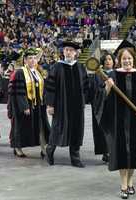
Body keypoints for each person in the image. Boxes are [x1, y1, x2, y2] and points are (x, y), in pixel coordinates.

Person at [96, 41, 136, 199]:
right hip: (118, 122)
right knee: (122, 153)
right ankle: (123, 184)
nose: (127, 61)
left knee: (134, 153)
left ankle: (130, 182)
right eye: (124, 59)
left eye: (129, 59)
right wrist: (107, 88)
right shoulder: (113, 75)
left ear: (134, 60)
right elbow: (100, 97)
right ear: (119, 60)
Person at [45, 40, 88, 168]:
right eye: (66, 50)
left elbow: (85, 86)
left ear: (76, 53)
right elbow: (50, 87)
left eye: (71, 50)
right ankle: (49, 152)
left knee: (76, 130)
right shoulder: (57, 67)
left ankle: (75, 158)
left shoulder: (80, 67)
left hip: (77, 106)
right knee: (57, 129)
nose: (68, 52)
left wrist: (83, 100)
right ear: (63, 52)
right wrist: (50, 104)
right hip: (61, 105)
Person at [8, 47, 50, 158]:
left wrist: (45, 102)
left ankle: (44, 148)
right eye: (30, 58)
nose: (32, 60)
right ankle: (17, 148)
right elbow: (18, 91)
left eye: (34, 58)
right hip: (25, 106)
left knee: (41, 126)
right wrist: (24, 106)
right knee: (21, 127)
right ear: (25, 60)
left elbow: (42, 89)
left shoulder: (38, 72)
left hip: (38, 105)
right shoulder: (20, 72)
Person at [88, 52, 115, 163]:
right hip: (101, 107)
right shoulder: (97, 75)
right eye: (106, 59)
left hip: (114, 106)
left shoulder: (117, 74)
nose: (108, 61)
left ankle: (113, 151)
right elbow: (94, 91)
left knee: (113, 130)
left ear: (114, 61)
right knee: (103, 130)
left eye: (110, 59)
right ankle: (105, 152)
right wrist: (105, 88)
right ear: (102, 62)